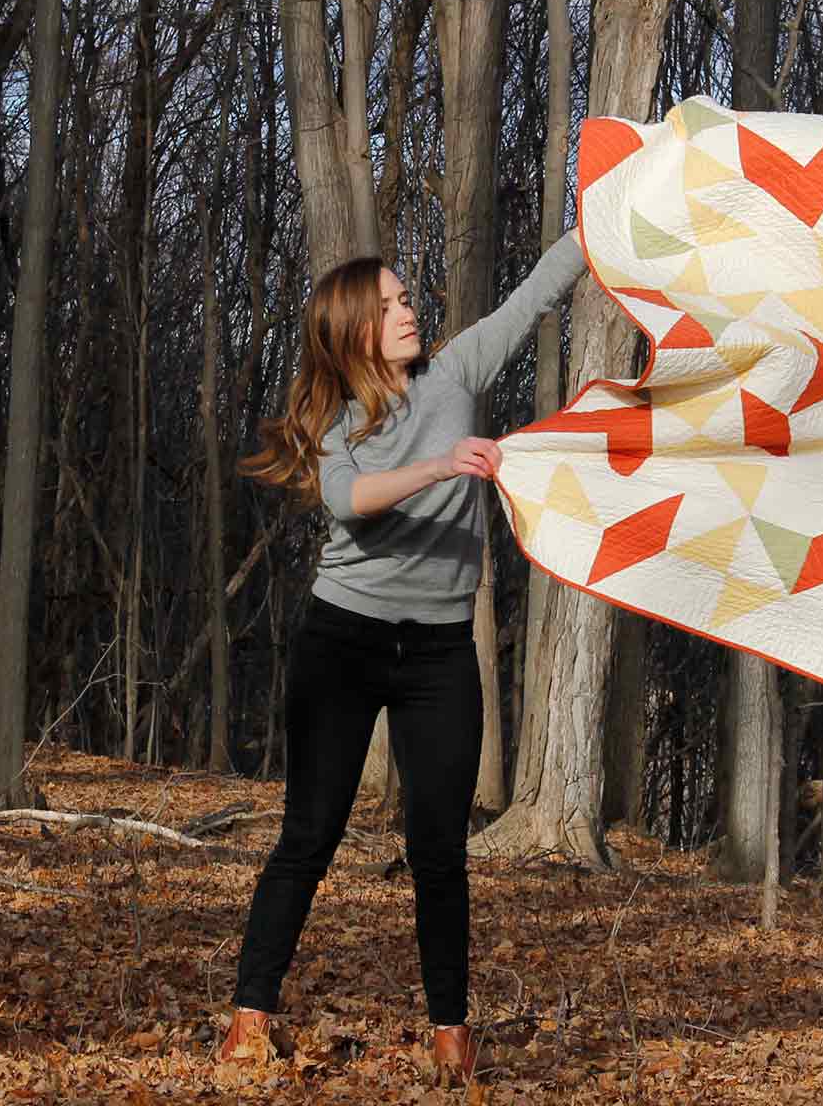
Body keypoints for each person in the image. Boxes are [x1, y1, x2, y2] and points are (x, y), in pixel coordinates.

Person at [221, 229, 590, 1083]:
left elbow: (534, 294)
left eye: (404, 297)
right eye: (386, 303)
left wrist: (598, 220)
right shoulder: (331, 418)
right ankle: (249, 1017)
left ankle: (452, 1036)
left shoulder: (456, 372)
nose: (407, 308)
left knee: (438, 848)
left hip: (437, 653)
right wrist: (439, 466)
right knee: (308, 836)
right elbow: (351, 502)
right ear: (353, 328)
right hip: (341, 643)